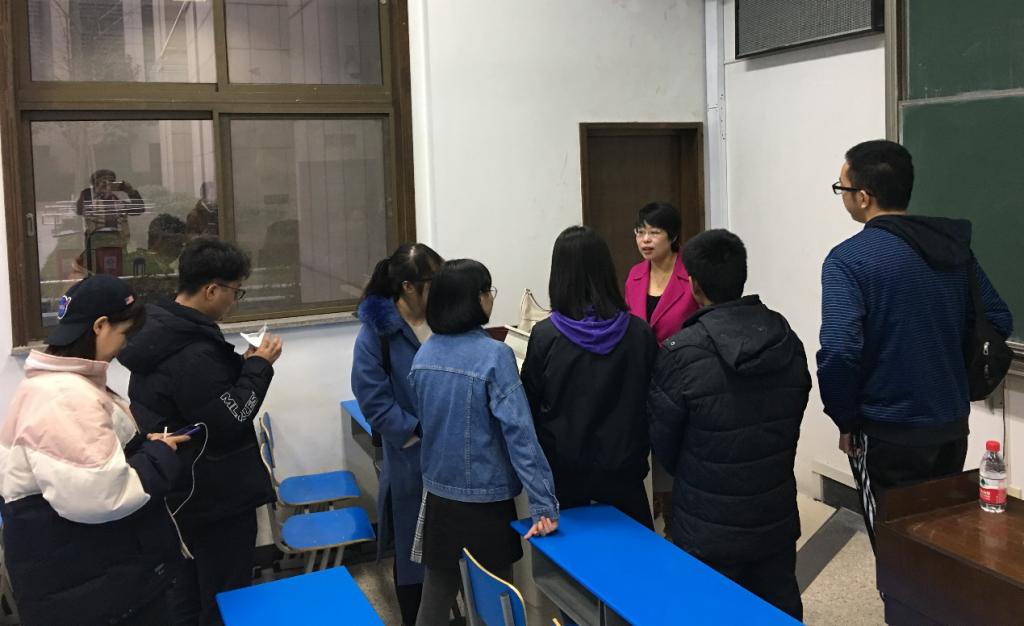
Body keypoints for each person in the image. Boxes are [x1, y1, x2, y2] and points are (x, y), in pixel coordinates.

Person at [817, 140, 1013, 548]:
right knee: (940, 543)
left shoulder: (848, 260)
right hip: (950, 424)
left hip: (885, 431)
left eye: (842, 188)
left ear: (864, 197)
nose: (843, 197)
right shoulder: (953, 249)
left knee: (894, 548)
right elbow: (997, 319)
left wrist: (845, 419)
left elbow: (839, 350)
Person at [0, 274, 189, 625]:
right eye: (125, 333)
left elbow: (84, 465)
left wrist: (139, 448)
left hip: (91, 579)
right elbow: (103, 495)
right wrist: (159, 455)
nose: (125, 346)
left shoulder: (59, 385)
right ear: (100, 326)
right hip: (91, 590)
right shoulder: (64, 396)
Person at [118, 237, 284, 626]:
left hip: (179, 490)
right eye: (235, 291)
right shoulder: (191, 353)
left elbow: (208, 399)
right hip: (214, 498)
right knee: (224, 600)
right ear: (211, 289)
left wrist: (241, 367)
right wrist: (260, 367)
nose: (235, 300)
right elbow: (231, 420)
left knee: (187, 595)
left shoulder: (162, 330)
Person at [648, 229, 810, 621]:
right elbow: (795, 408)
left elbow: (664, 444)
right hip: (773, 513)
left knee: (710, 612)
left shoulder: (681, 353)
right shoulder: (784, 337)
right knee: (778, 610)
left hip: (706, 524)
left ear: (693, 285)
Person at [409, 259, 559, 626]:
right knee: (497, 605)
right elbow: (520, 435)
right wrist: (543, 503)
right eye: (488, 291)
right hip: (485, 503)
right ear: (475, 299)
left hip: (439, 497)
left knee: (435, 598)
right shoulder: (495, 356)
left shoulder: (424, 354)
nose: (491, 298)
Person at [521, 226, 657, 528]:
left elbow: (529, 407)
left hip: (566, 482)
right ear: (607, 271)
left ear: (559, 275)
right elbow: (655, 404)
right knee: (635, 555)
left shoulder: (546, 336)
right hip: (626, 477)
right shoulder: (639, 333)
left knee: (572, 558)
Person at [351, 243, 443, 626]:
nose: (441, 287)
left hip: (453, 458)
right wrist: (418, 430)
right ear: (408, 286)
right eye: (433, 281)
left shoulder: (446, 321)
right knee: (413, 557)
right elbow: (373, 401)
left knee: (452, 558)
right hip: (410, 460)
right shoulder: (377, 334)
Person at [624, 202, 700, 530]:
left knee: (679, 454)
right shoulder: (634, 275)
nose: (645, 240)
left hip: (683, 377)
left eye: (654, 232)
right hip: (643, 379)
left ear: (673, 236)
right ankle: (656, 509)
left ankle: (677, 518)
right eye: (640, 232)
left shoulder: (691, 274)